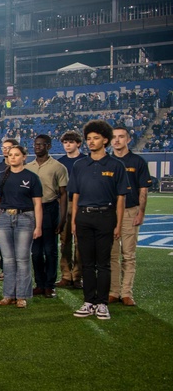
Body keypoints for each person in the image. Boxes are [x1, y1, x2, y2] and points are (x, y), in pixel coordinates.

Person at [69, 120, 130, 320]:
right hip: (84, 217)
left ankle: (102, 304)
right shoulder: (79, 165)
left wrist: (118, 224)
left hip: (106, 216)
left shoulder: (116, 165)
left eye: (96, 138)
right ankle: (89, 302)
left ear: (105, 140)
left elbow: (121, 198)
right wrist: (74, 221)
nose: (91, 142)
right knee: (86, 263)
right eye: (88, 138)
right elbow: (75, 195)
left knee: (103, 264)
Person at [0, 144, 43, 309]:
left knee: (22, 259)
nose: (12, 157)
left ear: (24, 157)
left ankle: (22, 296)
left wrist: (38, 226)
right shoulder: (1, 176)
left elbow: (37, 204)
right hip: (4, 218)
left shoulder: (32, 177)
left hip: (25, 218)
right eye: (10, 155)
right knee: (7, 260)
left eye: (16, 154)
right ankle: (8, 295)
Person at [108, 125, 152, 307]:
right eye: (114, 137)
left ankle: (126, 293)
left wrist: (141, 212)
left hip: (129, 211)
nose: (117, 140)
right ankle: (113, 291)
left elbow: (143, 189)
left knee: (128, 255)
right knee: (111, 255)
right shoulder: (105, 161)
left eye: (121, 136)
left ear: (128, 139)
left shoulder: (138, 161)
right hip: (109, 213)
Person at [27, 134, 68, 299]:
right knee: (36, 252)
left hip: (50, 208)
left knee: (50, 250)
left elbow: (63, 194)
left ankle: (50, 285)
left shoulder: (58, 167)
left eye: (41, 144)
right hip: (32, 210)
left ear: (49, 146)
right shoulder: (28, 167)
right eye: (35, 144)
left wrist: (62, 218)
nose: (37, 147)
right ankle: (39, 284)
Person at [57, 131, 86, 289]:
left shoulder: (86, 161)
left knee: (80, 242)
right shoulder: (60, 163)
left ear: (78, 143)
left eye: (71, 142)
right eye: (65, 142)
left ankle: (77, 275)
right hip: (64, 204)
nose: (67, 145)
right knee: (65, 241)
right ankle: (66, 275)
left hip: (81, 204)